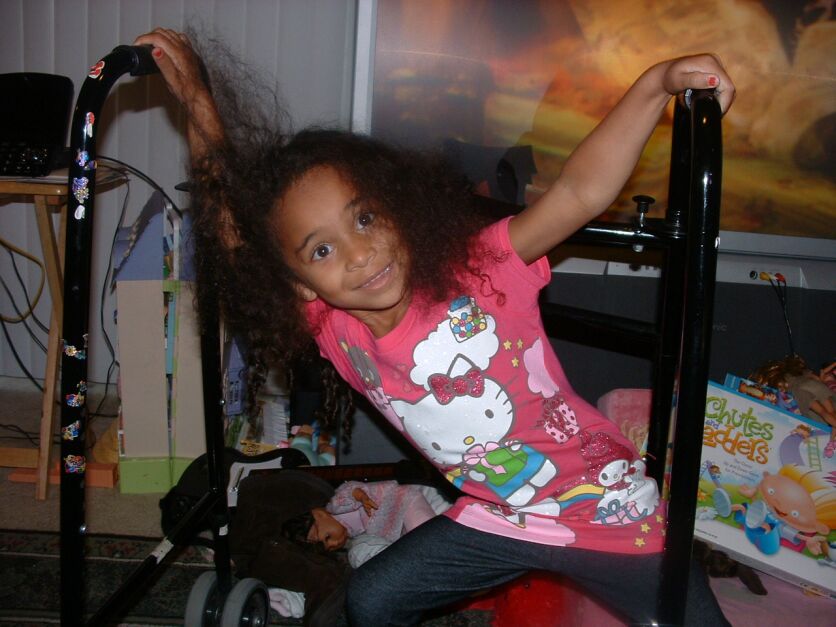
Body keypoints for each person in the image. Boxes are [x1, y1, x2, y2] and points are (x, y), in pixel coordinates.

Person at [135, 27, 735, 626]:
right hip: (502, 515)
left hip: (607, 511)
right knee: (372, 599)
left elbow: (579, 192)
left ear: (398, 209)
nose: (360, 254)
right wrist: (198, 104)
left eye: (365, 219)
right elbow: (234, 240)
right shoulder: (331, 326)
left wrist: (655, 84)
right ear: (296, 283)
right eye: (322, 250)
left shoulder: (479, 268)